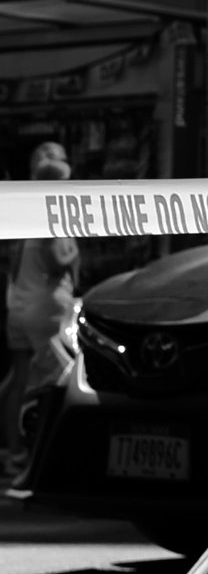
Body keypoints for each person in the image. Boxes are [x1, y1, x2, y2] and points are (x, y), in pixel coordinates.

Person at [3, 139, 80, 497]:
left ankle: (13, 452)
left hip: (18, 303)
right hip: (45, 310)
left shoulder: (23, 208)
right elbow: (57, 259)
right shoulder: (52, 211)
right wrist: (75, 247)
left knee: (18, 380)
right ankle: (41, 458)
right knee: (59, 382)